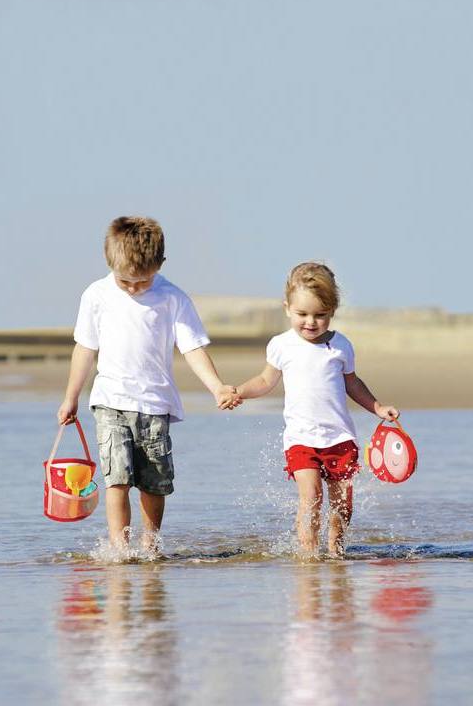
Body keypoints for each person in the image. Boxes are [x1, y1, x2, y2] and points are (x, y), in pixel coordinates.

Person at [57, 216, 238, 554]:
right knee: (118, 478)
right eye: (125, 280)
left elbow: (193, 347)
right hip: (110, 401)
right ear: (109, 261)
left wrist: (217, 387)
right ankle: (119, 549)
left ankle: (150, 544)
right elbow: (85, 349)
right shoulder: (96, 295)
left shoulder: (172, 298)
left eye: (142, 281)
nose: (133, 288)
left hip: (155, 406)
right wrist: (71, 397)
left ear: (160, 265)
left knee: (155, 483)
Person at [234, 262, 399, 557]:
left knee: (342, 504)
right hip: (301, 439)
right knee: (311, 496)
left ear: (332, 311)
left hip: (339, 438)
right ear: (287, 308)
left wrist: (377, 407)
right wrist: (239, 393)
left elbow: (353, 384)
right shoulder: (281, 345)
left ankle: (336, 549)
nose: (310, 322)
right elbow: (265, 380)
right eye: (302, 314)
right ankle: (308, 554)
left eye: (320, 315)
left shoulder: (340, 346)